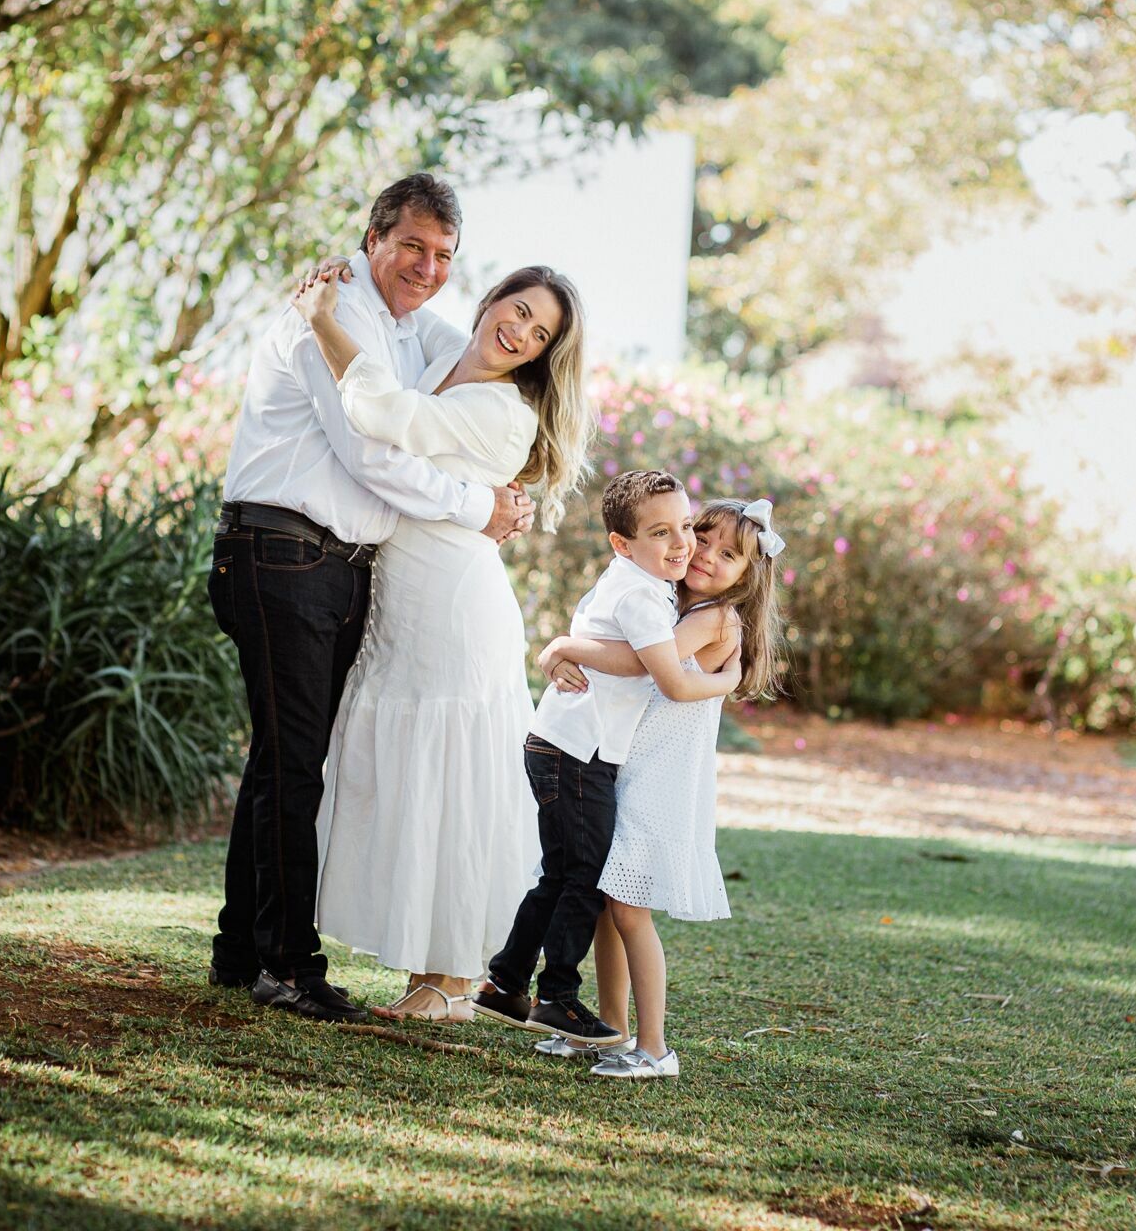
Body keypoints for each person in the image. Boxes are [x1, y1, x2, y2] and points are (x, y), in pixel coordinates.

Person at [207, 174, 535, 1023]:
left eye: (444, 256)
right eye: (412, 247)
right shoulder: (343, 312)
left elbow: (459, 350)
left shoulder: (401, 326)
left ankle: (241, 947)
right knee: (292, 765)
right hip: (281, 550)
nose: (426, 268)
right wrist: (483, 507)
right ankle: (288, 965)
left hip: (335, 566)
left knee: (282, 758)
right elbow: (371, 454)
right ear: (373, 236)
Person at [293, 259, 592, 1021]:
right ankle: (436, 973)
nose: (519, 331)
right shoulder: (437, 355)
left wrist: (320, 317)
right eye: (517, 308)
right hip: (405, 600)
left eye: (539, 332)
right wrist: (354, 279)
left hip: (455, 605)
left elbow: (384, 416)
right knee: (409, 778)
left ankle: (452, 979)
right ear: (490, 298)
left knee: (452, 782)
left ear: (544, 354)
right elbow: (406, 315)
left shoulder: (504, 410)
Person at [473, 471, 743, 1046]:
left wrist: (564, 647)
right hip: (579, 752)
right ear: (624, 543)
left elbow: (623, 656)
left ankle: (505, 983)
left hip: (568, 746)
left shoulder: (642, 584)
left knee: (565, 874)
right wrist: (730, 680)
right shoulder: (645, 594)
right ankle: (556, 998)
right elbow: (658, 671)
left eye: (683, 529)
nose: (683, 545)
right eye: (663, 533)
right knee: (584, 878)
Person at [534, 498, 787, 1079]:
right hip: (626, 767)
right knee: (605, 900)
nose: (708, 557)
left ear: (749, 575)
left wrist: (562, 646)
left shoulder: (716, 618)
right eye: (704, 539)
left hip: (662, 779)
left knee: (627, 907)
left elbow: (647, 667)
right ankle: (608, 1029)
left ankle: (654, 1048)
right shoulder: (668, 600)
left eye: (730, 555)